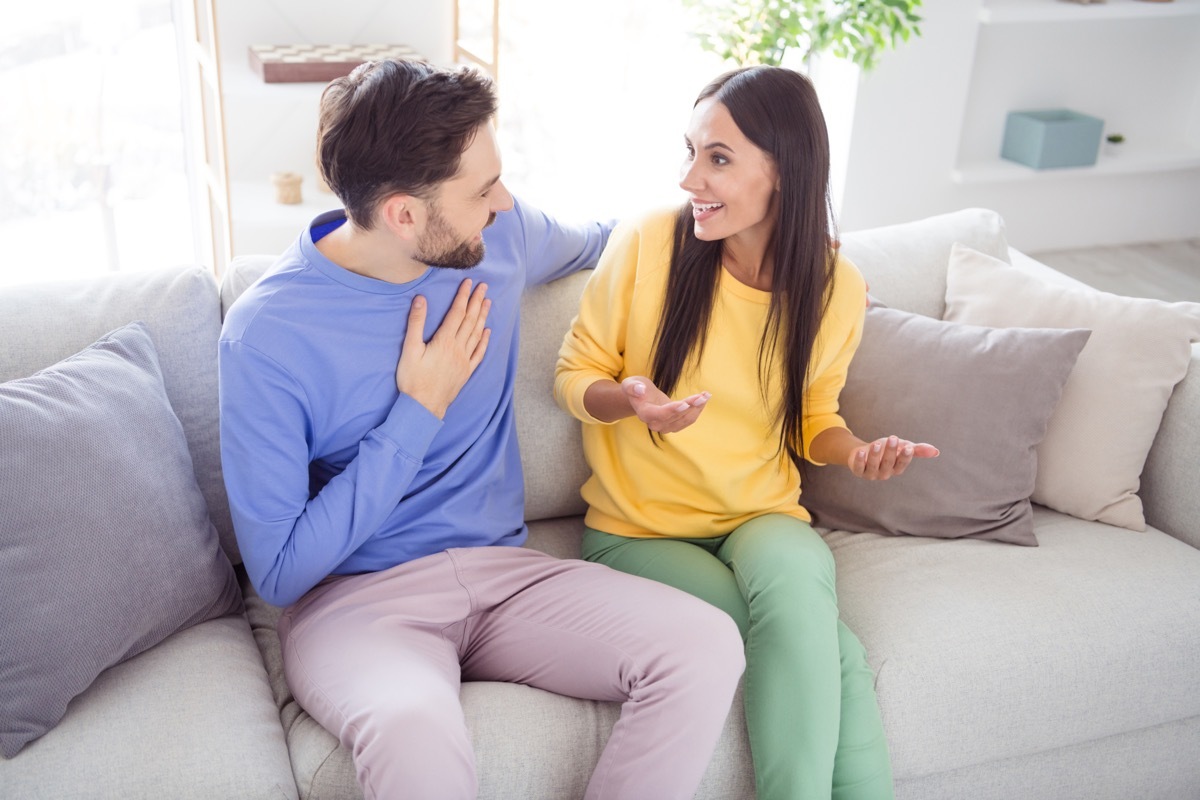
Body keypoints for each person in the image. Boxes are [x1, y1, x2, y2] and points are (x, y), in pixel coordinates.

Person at [219, 58, 745, 800]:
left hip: (507, 581)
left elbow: (610, 240)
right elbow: (278, 571)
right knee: (411, 727)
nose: (503, 202)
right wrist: (418, 409)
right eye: (481, 190)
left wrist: (757, 234)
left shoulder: (499, 237)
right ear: (403, 213)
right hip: (360, 606)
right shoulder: (267, 335)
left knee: (704, 645)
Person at [555, 65, 939, 800]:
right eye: (692, 151)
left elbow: (812, 417)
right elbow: (575, 375)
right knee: (825, 654)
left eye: (719, 158)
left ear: (784, 173)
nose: (690, 177)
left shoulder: (836, 287)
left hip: (761, 516)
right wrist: (631, 400)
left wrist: (856, 453)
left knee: (807, 620)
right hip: (640, 532)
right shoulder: (647, 244)